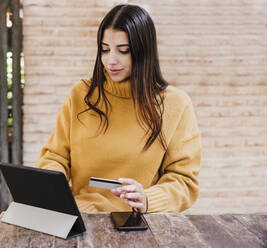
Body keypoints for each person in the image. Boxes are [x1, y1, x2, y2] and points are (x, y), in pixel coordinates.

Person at [37, 4, 202, 213]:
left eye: (123, 51)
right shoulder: (81, 95)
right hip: (80, 217)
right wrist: (54, 191)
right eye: (105, 50)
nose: (110, 60)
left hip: (137, 222)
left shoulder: (176, 104)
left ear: (144, 51)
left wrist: (148, 199)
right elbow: (54, 157)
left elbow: (185, 182)